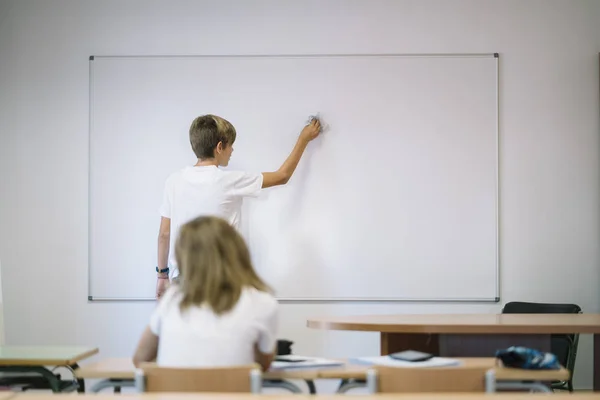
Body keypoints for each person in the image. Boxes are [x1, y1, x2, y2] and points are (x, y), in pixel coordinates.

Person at [156, 114, 321, 298]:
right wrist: (304, 139)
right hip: (219, 280)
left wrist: (162, 275)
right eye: (230, 145)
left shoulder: (173, 181)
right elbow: (282, 176)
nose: (232, 150)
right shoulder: (228, 180)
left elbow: (164, 234)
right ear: (219, 147)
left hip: (183, 281)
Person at [134, 216, 278, 370]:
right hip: (233, 393)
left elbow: (140, 359)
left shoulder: (172, 299)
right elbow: (263, 365)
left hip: (175, 393)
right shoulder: (262, 303)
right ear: (238, 251)